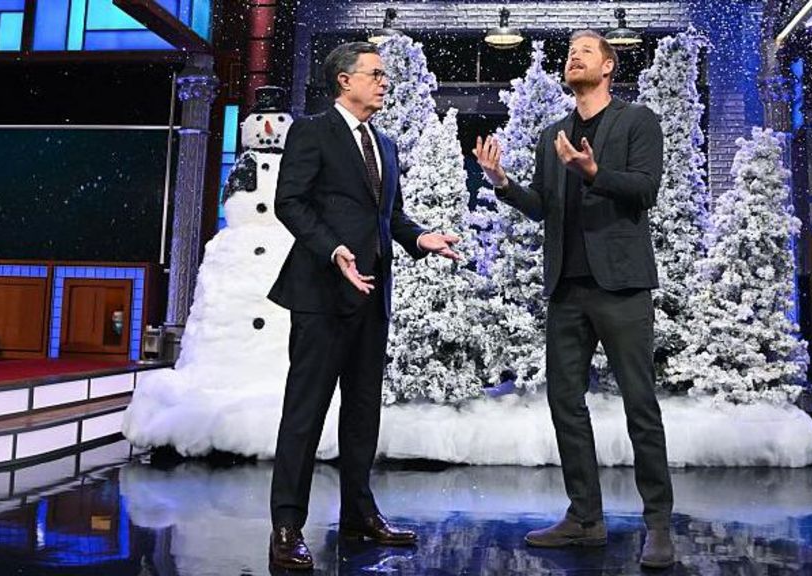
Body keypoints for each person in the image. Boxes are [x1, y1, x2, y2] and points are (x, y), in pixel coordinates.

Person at [473, 29, 675, 569]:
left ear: (608, 67)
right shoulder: (552, 135)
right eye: (569, 53)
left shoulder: (637, 122)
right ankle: (585, 517)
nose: (574, 58)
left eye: (585, 51)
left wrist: (594, 172)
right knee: (566, 402)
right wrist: (501, 181)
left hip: (622, 286)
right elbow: (543, 207)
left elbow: (644, 188)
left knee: (640, 405)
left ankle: (658, 523)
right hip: (567, 289)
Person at [267, 41, 460, 571]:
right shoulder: (313, 130)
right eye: (374, 74)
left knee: (361, 414)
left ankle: (358, 514)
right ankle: (286, 527)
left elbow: (389, 217)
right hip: (322, 295)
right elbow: (291, 202)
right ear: (343, 81)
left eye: (384, 75)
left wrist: (421, 239)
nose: (383, 82)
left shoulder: (385, 143)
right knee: (305, 414)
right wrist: (333, 249)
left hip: (371, 296)